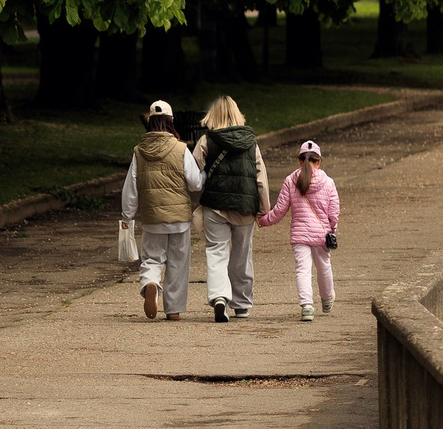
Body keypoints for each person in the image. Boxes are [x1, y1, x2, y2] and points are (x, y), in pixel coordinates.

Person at [121, 100, 203, 321]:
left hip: (152, 218)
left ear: (149, 121)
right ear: (171, 121)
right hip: (179, 219)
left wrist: (127, 215)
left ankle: (150, 283)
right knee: (178, 262)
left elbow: (131, 187)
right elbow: (195, 183)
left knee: (151, 259)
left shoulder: (139, 152)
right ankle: (173, 310)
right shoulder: (181, 149)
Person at [194, 96, 266, 323]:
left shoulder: (207, 140)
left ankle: (219, 298)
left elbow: (194, 172)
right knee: (242, 255)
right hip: (245, 207)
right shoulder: (251, 142)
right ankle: (242, 304)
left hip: (215, 205)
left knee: (216, 251)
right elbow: (260, 177)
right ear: (237, 114)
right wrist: (263, 209)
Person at [260, 139, 340, 322]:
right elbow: (333, 212)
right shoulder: (328, 182)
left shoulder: (290, 180)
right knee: (324, 266)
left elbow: (279, 210)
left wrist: (263, 221)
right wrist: (332, 229)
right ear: (318, 161)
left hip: (299, 235)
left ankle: (307, 307)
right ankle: (327, 299)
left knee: (303, 270)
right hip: (321, 234)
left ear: (299, 160)